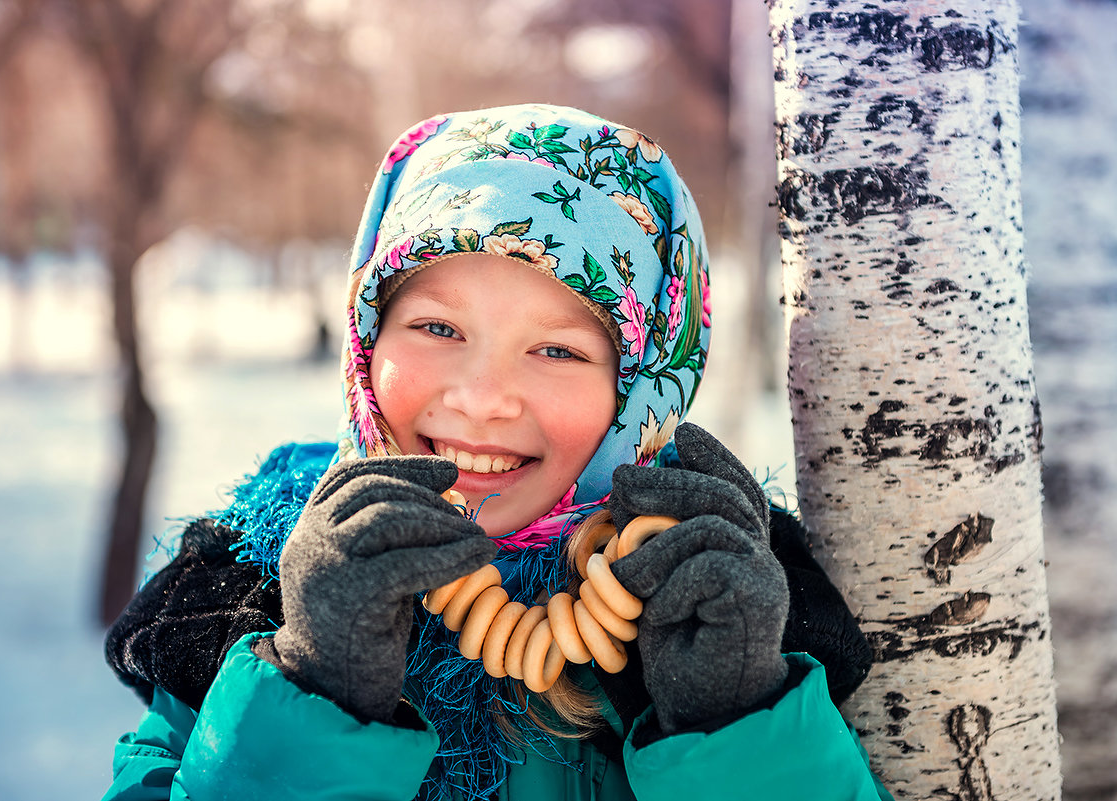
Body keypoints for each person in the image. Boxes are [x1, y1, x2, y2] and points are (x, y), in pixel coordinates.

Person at [101, 104, 890, 801]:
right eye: (438, 328)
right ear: (367, 337)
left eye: (556, 350)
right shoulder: (252, 596)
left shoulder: (737, 599)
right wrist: (310, 694)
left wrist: (738, 728)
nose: (480, 398)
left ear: (646, 388)